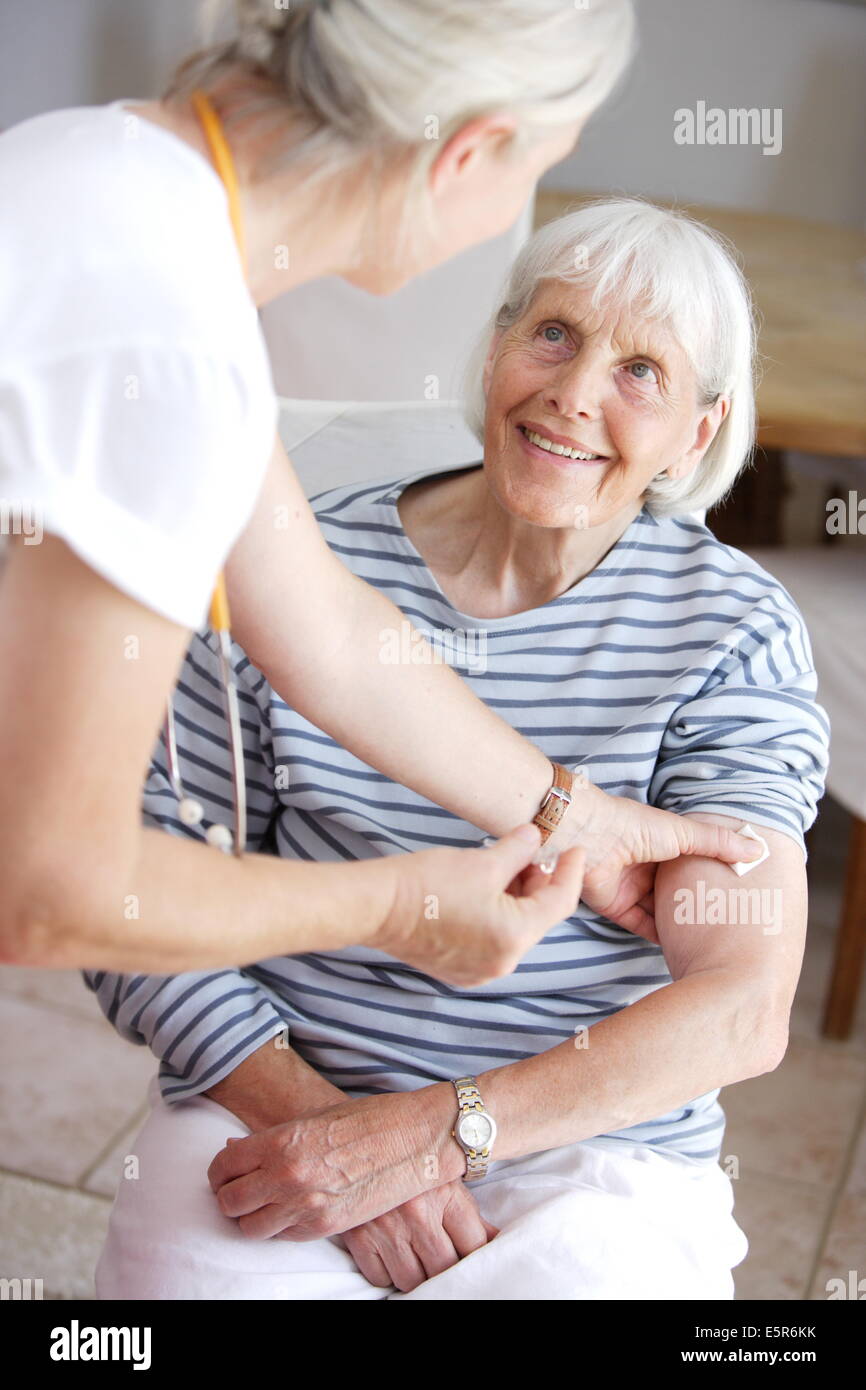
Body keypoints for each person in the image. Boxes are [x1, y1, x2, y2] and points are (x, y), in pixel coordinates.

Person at [90, 199, 828, 1300]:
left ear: (698, 431)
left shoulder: (727, 629)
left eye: (641, 371)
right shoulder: (295, 564)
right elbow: (136, 902)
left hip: (589, 1146)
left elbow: (741, 1003)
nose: (574, 392)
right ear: (492, 350)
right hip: (281, 1096)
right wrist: (324, 1125)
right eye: (552, 334)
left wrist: (436, 1135)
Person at [0, 0, 759, 982]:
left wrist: (581, 815)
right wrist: (400, 906)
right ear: (468, 152)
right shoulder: (164, 341)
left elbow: (326, 632)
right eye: (534, 174)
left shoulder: (102, 168)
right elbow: (50, 890)